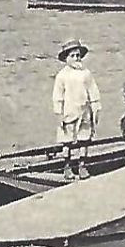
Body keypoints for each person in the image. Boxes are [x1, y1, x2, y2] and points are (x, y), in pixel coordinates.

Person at [51, 40, 101, 178]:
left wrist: (96, 109)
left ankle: (82, 166)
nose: (76, 59)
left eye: (78, 55)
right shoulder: (62, 75)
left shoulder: (86, 73)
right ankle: (67, 168)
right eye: (72, 56)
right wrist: (59, 114)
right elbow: (57, 96)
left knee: (84, 140)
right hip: (69, 113)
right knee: (67, 142)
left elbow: (94, 92)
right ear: (66, 58)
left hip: (84, 112)